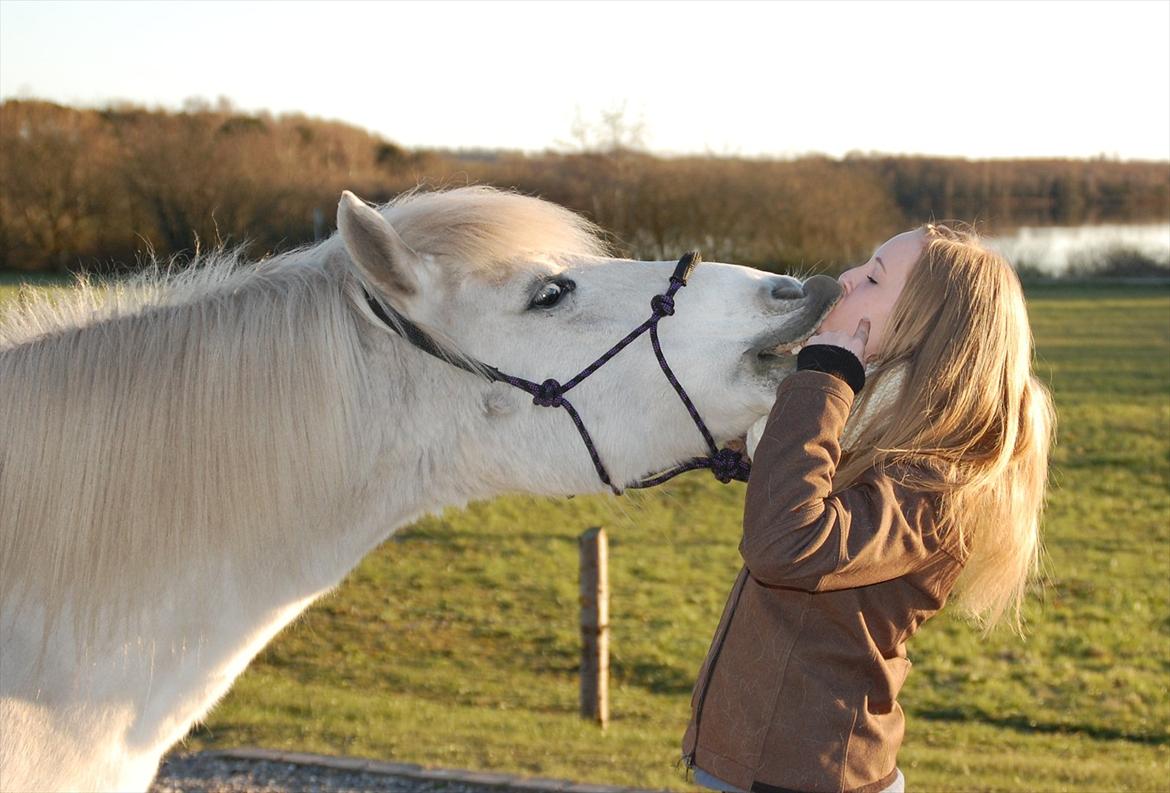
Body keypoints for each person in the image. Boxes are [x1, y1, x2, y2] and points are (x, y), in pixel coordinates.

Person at [681, 223, 1055, 793]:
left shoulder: (937, 485)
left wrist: (825, 378)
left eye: (874, 276)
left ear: (926, 326)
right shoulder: (868, 435)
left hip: (808, 777)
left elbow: (788, 545)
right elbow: (797, 486)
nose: (847, 280)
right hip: (759, 767)